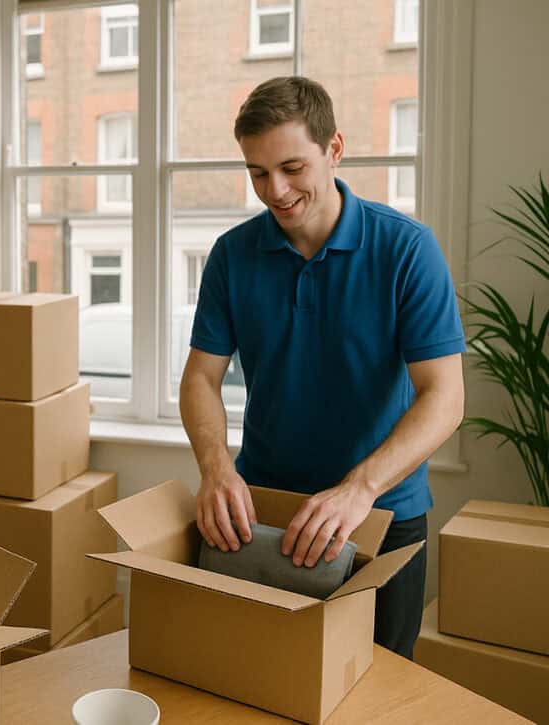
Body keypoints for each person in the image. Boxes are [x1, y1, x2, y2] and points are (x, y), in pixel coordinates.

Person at [179, 76, 465, 660]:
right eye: (258, 173)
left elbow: (444, 397)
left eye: (292, 167)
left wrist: (359, 490)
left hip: (381, 518)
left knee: (376, 692)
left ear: (334, 148)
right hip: (263, 515)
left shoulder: (407, 250)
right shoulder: (232, 256)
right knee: (257, 680)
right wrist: (214, 469)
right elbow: (201, 379)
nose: (275, 191)